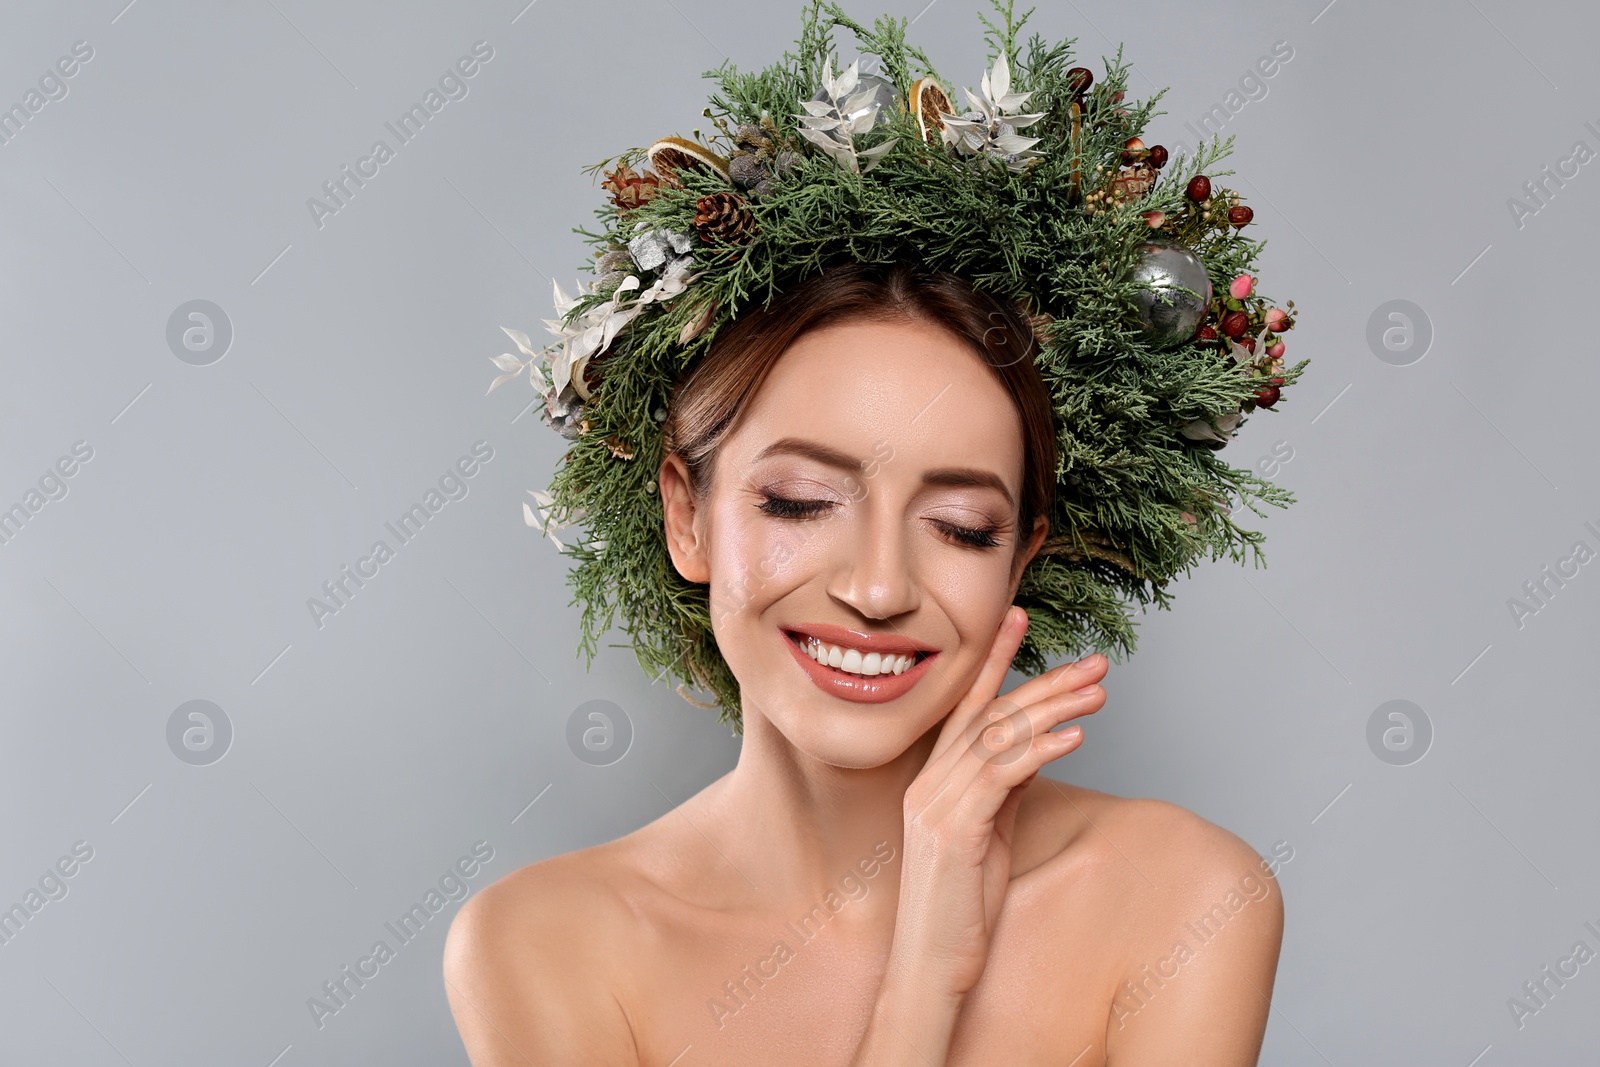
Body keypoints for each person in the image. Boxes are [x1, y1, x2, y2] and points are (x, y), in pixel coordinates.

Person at [443, 260, 1284, 1065]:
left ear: (1019, 559)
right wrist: (924, 978)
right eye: (800, 503)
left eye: (961, 525)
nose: (879, 588)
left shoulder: (1183, 900)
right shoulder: (542, 945)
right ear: (687, 517)